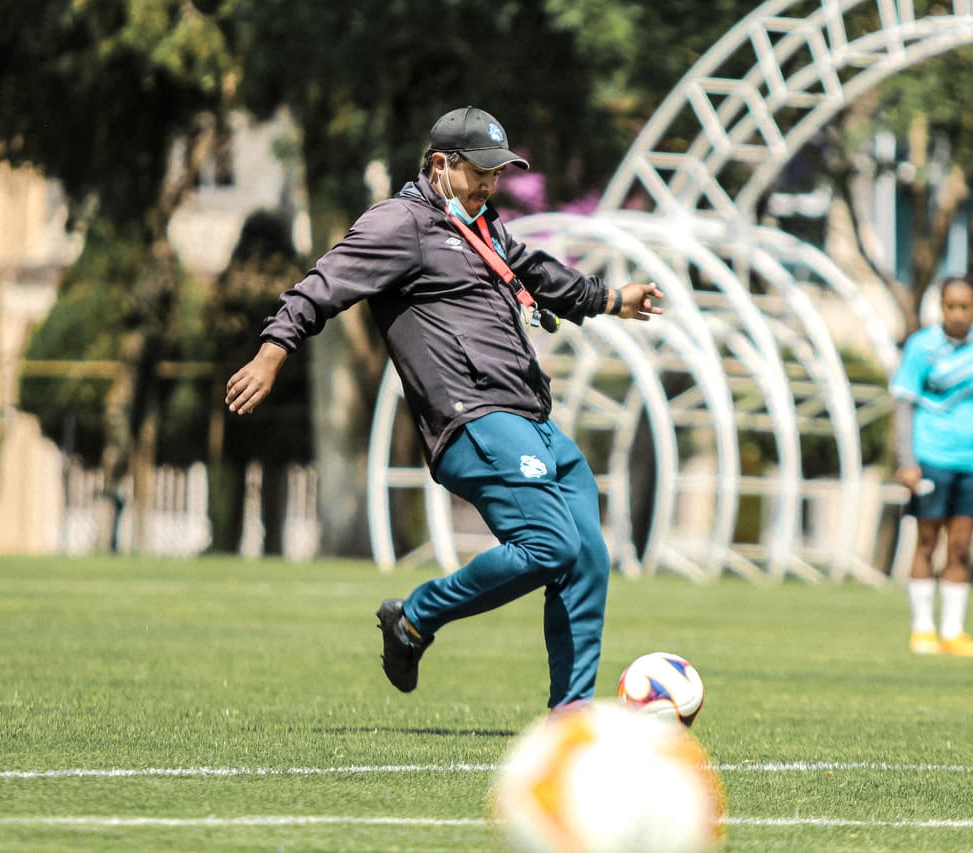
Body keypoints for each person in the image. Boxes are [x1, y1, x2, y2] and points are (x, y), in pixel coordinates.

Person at [224, 105, 665, 708]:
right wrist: (274, 349)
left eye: (498, 172)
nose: (490, 183)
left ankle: (573, 717)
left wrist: (613, 298)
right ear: (440, 165)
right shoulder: (399, 224)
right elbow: (324, 282)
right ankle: (413, 618)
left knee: (586, 553)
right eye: (479, 171)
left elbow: (538, 274)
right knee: (549, 544)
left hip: (531, 419)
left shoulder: (485, 228)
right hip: (476, 418)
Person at [891, 277, 973, 657]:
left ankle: (953, 632)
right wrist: (906, 462)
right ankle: (922, 629)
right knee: (927, 541)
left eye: (965, 307)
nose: (957, 314)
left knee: (961, 548)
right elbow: (904, 404)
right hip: (931, 458)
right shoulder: (922, 347)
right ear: (940, 307)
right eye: (951, 306)